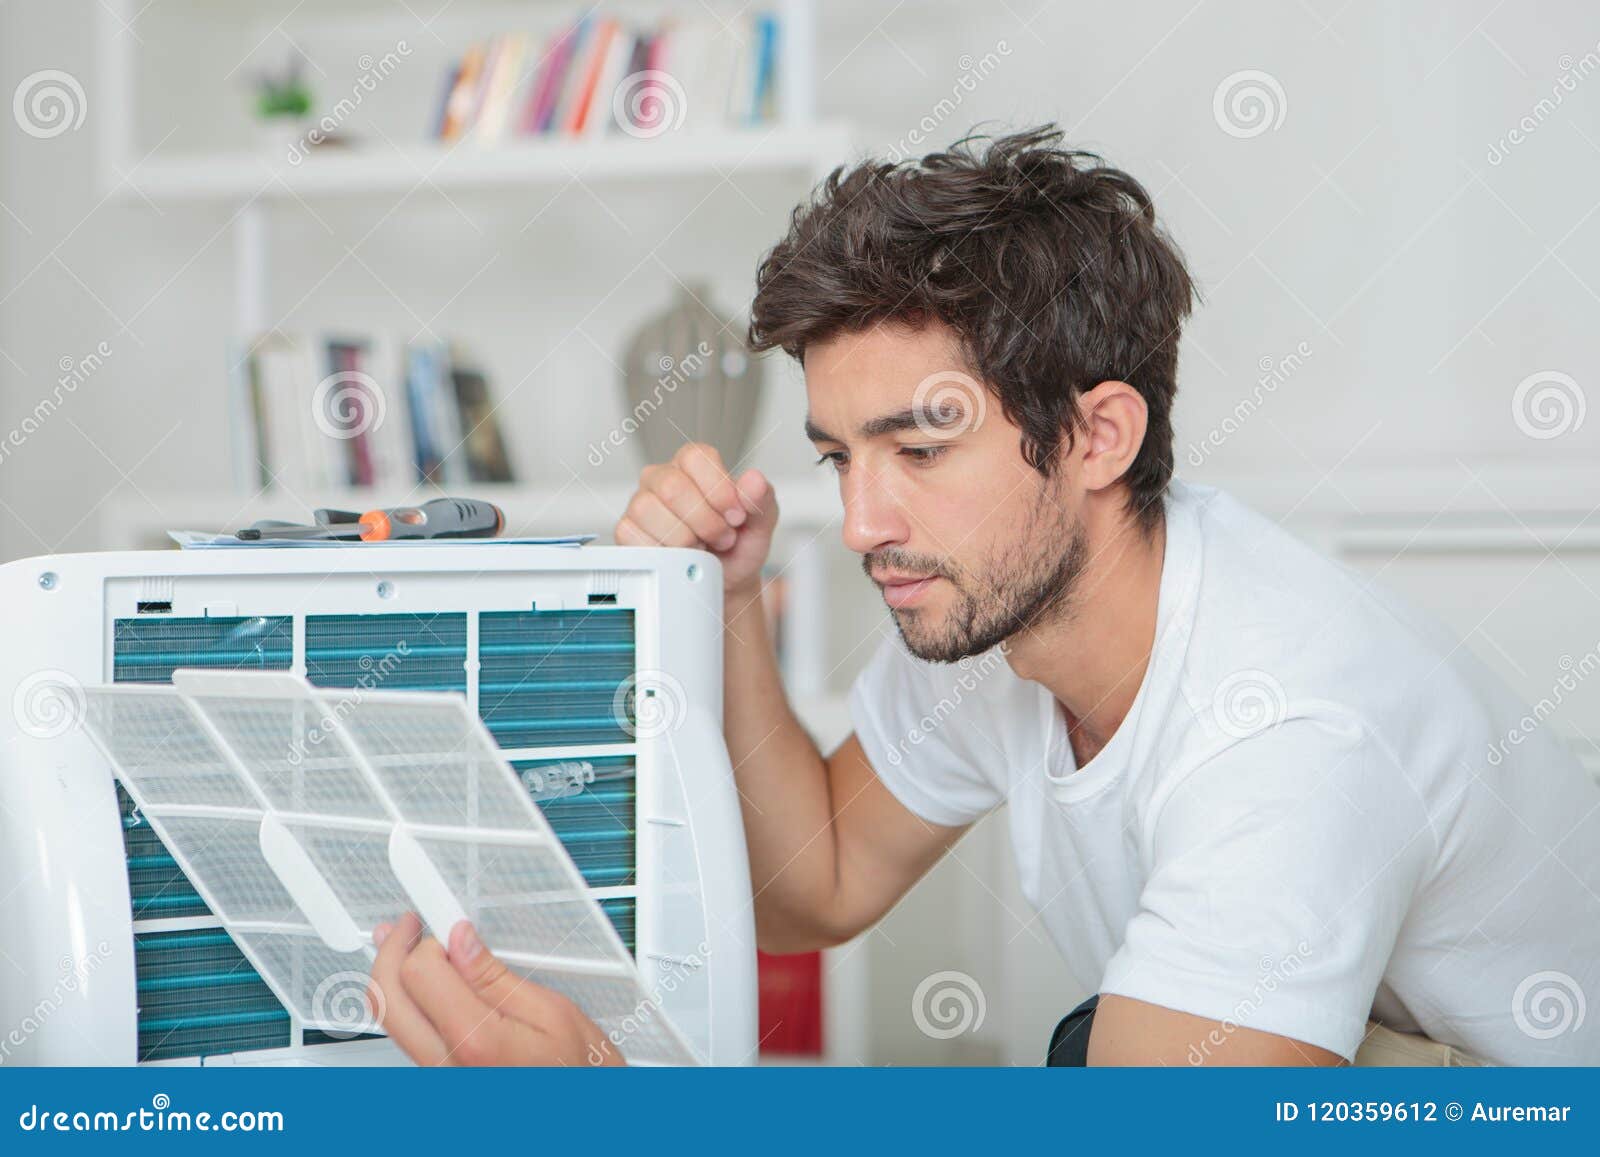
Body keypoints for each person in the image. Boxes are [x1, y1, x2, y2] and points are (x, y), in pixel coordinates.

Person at [372, 125, 1600, 1066]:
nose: (862, 523)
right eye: (839, 456)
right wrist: (725, 605)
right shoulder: (992, 615)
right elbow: (816, 886)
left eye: (920, 449)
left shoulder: (1283, 740)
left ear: (1097, 434)